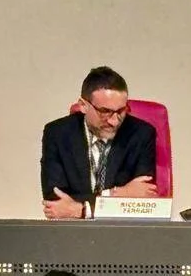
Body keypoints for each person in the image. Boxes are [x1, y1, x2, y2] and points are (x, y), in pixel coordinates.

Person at [40, 66, 157, 219]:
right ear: (83, 105)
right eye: (105, 112)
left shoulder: (141, 134)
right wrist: (116, 194)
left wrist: (82, 210)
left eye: (121, 111)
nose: (115, 121)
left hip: (122, 228)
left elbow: (141, 200)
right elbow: (55, 202)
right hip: (72, 229)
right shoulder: (57, 133)